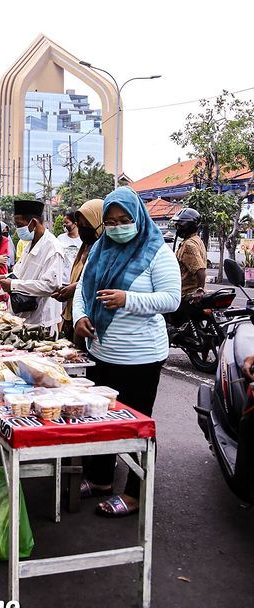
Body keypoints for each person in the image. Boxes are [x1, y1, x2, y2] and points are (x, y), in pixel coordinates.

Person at [73, 186, 181, 517]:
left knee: (135, 425)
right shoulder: (100, 249)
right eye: (111, 220)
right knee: (101, 419)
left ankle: (135, 493)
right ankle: (101, 479)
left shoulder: (156, 252)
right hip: (101, 351)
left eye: (125, 219)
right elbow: (82, 289)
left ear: (139, 219)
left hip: (141, 357)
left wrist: (127, 299)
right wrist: (79, 316)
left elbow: (171, 299)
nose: (118, 226)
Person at [0, 200, 64, 336]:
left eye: (20, 225)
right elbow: (18, 274)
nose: (17, 229)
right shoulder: (29, 244)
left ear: (34, 223)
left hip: (41, 321)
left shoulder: (53, 248)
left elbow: (51, 286)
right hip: (22, 316)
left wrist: (13, 285)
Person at [52, 199, 104, 343]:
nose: (82, 229)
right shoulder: (85, 246)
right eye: (80, 225)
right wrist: (69, 291)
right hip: (74, 313)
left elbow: (99, 282)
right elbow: (81, 279)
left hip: (92, 321)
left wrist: (74, 289)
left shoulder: (104, 251)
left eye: (87, 225)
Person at [173, 208, 206, 301]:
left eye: (180, 225)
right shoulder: (197, 240)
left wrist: (200, 290)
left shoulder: (189, 245)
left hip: (187, 295)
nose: (178, 227)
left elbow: (200, 270)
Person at [56, 212, 83, 285]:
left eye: (67, 223)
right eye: (63, 223)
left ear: (75, 223)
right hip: (62, 281)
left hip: (76, 281)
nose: (64, 225)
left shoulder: (83, 240)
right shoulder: (60, 238)